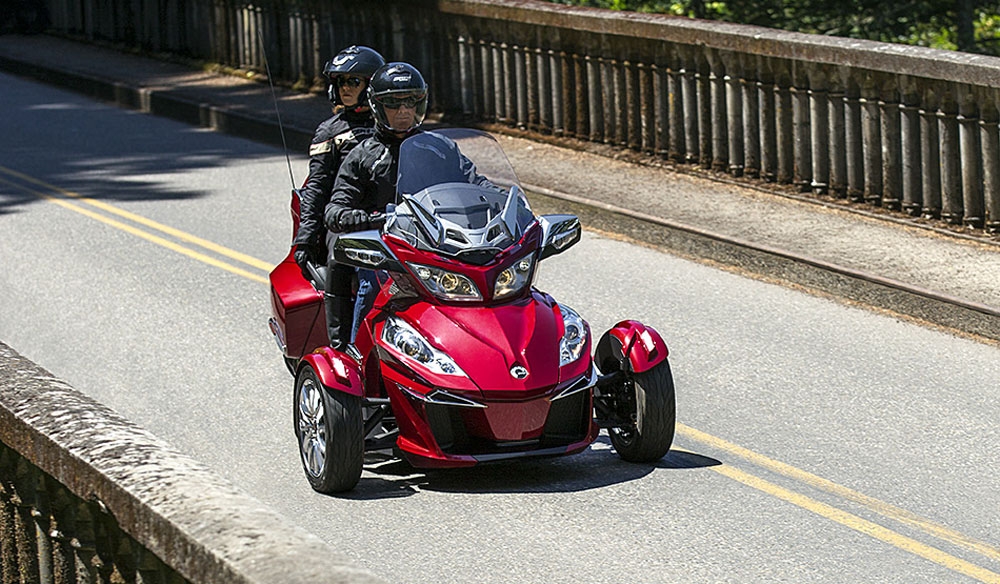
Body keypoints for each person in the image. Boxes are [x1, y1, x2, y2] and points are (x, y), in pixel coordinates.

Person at [324, 62, 431, 346]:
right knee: (374, 286)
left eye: (411, 102)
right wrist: (362, 219)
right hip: (379, 246)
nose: (404, 111)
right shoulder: (362, 156)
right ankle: (357, 355)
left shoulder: (437, 148)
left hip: (431, 244)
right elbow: (336, 208)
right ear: (377, 106)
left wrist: (510, 203)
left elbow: (473, 181)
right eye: (394, 104)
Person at [291, 45, 384, 350]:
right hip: (344, 221)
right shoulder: (329, 132)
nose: (344, 88)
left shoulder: (393, 127)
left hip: (391, 220)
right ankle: (351, 348)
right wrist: (304, 239)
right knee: (364, 270)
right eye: (340, 82)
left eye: (353, 81)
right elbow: (316, 187)